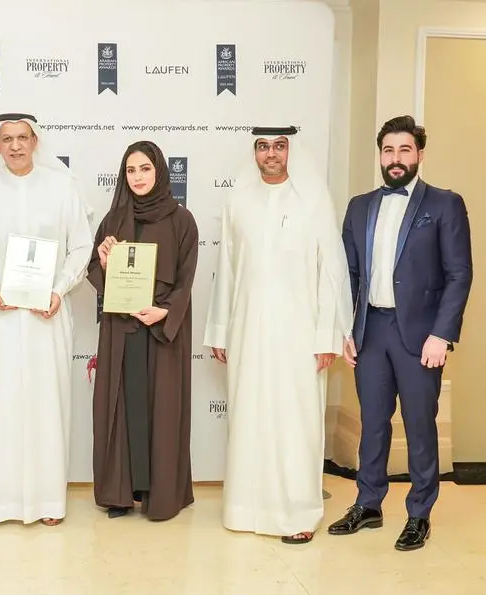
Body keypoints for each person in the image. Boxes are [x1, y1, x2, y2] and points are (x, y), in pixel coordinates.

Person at [329, 115, 473, 551]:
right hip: (371, 330)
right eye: (388, 150)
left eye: (404, 150)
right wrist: (344, 328)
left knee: (419, 425)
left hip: (420, 336)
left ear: (419, 155)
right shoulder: (359, 206)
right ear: (380, 156)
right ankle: (368, 503)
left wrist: (441, 335)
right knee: (372, 423)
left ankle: (419, 513)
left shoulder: (445, 204)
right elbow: (349, 275)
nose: (395, 158)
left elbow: (459, 274)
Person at [204, 126, 352, 544]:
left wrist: (326, 337)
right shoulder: (238, 200)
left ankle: (298, 514)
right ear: (254, 152)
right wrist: (220, 330)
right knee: (248, 418)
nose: (271, 154)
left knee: (296, 422)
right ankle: (245, 510)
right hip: (247, 331)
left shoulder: (314, 199)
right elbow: (227, 269)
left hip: (299, 334)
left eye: (280, 146)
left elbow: (331, 273)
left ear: (292, 151)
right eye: (263, 146)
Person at [0, 112, 92, 526]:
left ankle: (48, 502)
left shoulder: (62, 186)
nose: (15, 146)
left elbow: (80, 246)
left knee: (46, 406)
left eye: (22, 137)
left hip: (46, 317)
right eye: (7, 139)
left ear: (35, 141)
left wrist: (59, 289)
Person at [87, 141, 199, 521]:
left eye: (145, 169)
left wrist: (164, 312)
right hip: (122, 331)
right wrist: (104, 261)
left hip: (161, 332)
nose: (137, 177)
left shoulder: (182, 220)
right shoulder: (113, 220)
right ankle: (119, 493)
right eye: (130, 171)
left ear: (159, 171)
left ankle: (160, 495)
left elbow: (186, 278)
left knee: (160, 410)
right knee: (120, 407)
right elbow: (96, 273)